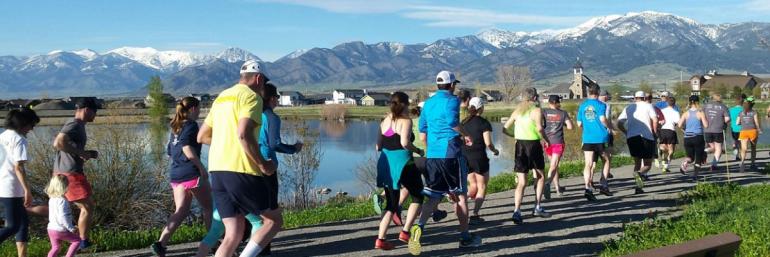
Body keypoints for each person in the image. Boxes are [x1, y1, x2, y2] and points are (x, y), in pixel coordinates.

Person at [196, 60, 279, 257]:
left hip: (217, 170)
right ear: (258, 78)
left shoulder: (222, 97)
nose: (263, 86)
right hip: (241, 170)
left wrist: (227, 143)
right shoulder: (252, 97)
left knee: (233, 232)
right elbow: (243, 133)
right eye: (263, 81)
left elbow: (202, 136)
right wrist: (263, 164)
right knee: (273, 221)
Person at [416, 70, 481, 249]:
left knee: (433, 197)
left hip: (433, 156)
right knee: (460, 196)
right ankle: (465, 236)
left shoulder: (428, 104)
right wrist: (466, 135)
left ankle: (418, 228)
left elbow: (422, 130)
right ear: (452, 85)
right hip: (451, 154)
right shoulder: (452, 100)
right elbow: (453, 123)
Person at [152, 97, 213, 257]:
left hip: (176, 174)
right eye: (199, 108)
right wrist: (201, 167)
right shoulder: (191, 125)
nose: (200, 111)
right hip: (191, 173)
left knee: (181, 210)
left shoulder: (176, 127)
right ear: (193, 109)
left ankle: (161, 243)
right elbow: (186, 148)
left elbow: (170, 153)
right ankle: (212, 242)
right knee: (208, 208)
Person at [374, 92, 425, 255]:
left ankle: (380, 239)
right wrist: (418, 150)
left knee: (391, 202)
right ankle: (405, 231)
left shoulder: (384, 120)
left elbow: (378, 146)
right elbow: (404, 142)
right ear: (404, 104)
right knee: (418, 195)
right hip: (404, 163)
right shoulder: (406, 121)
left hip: (385, 163)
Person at [52, 98, 99, 250]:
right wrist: (82, 153)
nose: (96, 114)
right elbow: (58, 143)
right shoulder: (74, 124)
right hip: (70, 173)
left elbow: (67, 146)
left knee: (68, 207)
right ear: (86, 110)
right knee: (87, 207)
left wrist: (86, 154)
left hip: (64, 172)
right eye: (95, 111)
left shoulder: (77, 125)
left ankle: (74, 240)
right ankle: (82, 242)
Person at [503, 87, 551, 225]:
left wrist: (515, 136)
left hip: (520, 146)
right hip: (533, 145)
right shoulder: (537, 110)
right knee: (540, 176)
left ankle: (517, 210)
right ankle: (537, 206)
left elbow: (504, 128)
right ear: (535, 98)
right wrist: (546, 141)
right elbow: (540, 128)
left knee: (522, 181)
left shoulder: (518, 111)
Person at [0, 108, 39, 257]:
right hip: (11, 188)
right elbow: (18, 167)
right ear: (23, 123)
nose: (31, 129)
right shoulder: (19, 140)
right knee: (12, 226)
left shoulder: (2, 137)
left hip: (2, 186)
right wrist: (27, 190)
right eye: (31, 125)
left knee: (22, 223)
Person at [461, 97, 499, 224]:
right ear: (481, 108)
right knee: (482, 186)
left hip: (465, 157)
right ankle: (475, 214)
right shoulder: (484, 123)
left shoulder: (463, 122)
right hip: (479, 158)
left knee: (473, 185)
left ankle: (459, 199)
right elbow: (488, 143)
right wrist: (495, 151)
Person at [616, 91, 658, 194]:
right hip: (646, 137)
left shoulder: (629, 108)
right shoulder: (648, 106)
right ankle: (640, 174)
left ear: (635, 98)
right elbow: (655, 120)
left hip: (632, 137)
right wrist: (654, 132)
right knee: (647, 164)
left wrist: (626, 132)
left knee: (637, 162)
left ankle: (638, 187)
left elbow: (619, 122)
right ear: (644, 98)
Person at [576, 85, 611, 201]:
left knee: (588, 164)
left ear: (588, 92)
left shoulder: (582, 106)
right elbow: (602, 119)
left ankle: (587, 188)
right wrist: (610, 127)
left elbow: (579, 124)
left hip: (588, 138)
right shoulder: (601, 105)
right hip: (601, 137)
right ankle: (604, 185)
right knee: (606, 160)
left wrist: (588, 126)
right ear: (598, 92)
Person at [542, 95, 573, 198]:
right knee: (554, 165)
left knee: (553, 165)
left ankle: (557, 188)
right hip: (558, 142)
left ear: (549, 102)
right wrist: (563, 123)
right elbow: (570, 127)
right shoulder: (563, 113)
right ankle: (547, 183)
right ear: (558, 102)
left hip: (547, 142)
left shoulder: (544, 112)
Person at [46, 175, 80, 257]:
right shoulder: (63, 201)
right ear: (64, 187)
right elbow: (63, 217)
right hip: (60, 230)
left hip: (51, 229)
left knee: (55, 247)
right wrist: (71, 228)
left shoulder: (52, 199)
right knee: (77, 241)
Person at [678, 95, 708, 181]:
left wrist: (685, 131)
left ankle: (685, 162)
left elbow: (679, 125)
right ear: (698, 102)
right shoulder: (700, 113)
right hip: (698, 137)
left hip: (687, 137)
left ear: (689, 102)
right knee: (698, 158)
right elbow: (706, 125)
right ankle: (695, 176)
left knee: (690, 157)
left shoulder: (685, 113)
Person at [702, 93, 730, 171]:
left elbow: (701, 115)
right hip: (718, 130)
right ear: (720, 99)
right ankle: (714, 164)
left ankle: (705, 151)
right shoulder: (723, 106)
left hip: (707, 130)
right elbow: (727, 119)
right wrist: (724, 122)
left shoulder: (705, 106)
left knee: (712, 147)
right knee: (718, 148)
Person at [737, 97, 762, 172]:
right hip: (752, 131)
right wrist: (759, 129)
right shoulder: (754, 112)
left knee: (744, 148)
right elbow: (756, 122)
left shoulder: (741, 113)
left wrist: (743, 122)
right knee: (753, 148)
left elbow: (737, 123)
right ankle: (752, 164)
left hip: (743, 131)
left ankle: (742, 163)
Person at [659, 97, 681, 173]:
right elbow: (678, 123)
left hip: (662, 130)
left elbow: (659, 121)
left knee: (664, 148)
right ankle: (666, 166)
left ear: (667, 103)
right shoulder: (676, 112)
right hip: (671, 131)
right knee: (671, 150)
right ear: (674, 104)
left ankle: (661, 149)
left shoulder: (661, 111)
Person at [729, 94, 746, 160]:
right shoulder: (744, 110)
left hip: (734, 129)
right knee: (742, 143)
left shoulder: (731, 110)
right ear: (743, 102)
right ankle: (741, 156)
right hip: (743, 129)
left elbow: (728, 119)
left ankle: (736, 153)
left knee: (735, 141)